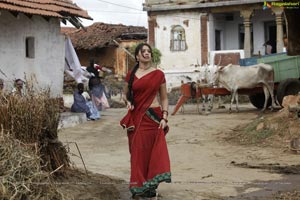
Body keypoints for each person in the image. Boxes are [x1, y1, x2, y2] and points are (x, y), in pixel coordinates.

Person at [120, 43, 171, 199]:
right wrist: (127, 102)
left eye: (149, 51)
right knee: (137, 153)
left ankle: (150, 187)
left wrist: (164, 117)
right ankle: (139, 186)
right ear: (137, 56)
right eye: (143, 51)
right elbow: (125, 95)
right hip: (137, 119)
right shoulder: (131, 74)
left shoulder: (158, 74)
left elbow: (164, 98)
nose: (147, 53)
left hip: (154, 118)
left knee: (153, 154)